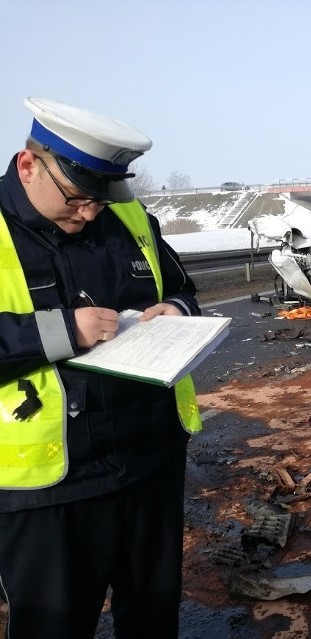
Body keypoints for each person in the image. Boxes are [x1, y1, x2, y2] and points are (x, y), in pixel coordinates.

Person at [0, 98, 202, 638]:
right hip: (50, 489)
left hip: (150, 465)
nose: (90, 213)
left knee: (153, 620)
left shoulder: (128, 217)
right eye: (78, 198)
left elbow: (183, 288)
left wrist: (176, 312)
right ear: (28, 166)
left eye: (100, 200)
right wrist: (63, 332)